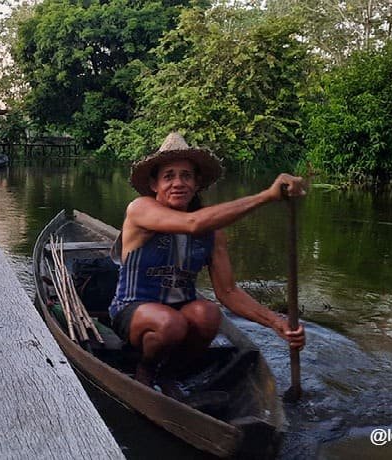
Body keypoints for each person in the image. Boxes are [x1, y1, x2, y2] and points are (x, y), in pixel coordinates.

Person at [109, 132, 306, 392]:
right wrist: (265, 197)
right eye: (169, 176)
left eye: (186, 176)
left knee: (209, 313)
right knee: (169, 324)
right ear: (154, 185)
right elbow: (192, 223)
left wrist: (277, 323)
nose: (178, 183)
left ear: (197, 183)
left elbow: (228, 292)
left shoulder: (213, 232)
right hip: (133, 312)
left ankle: (170, 373)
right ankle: (145, 371)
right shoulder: (140, 209)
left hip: (180, 314)